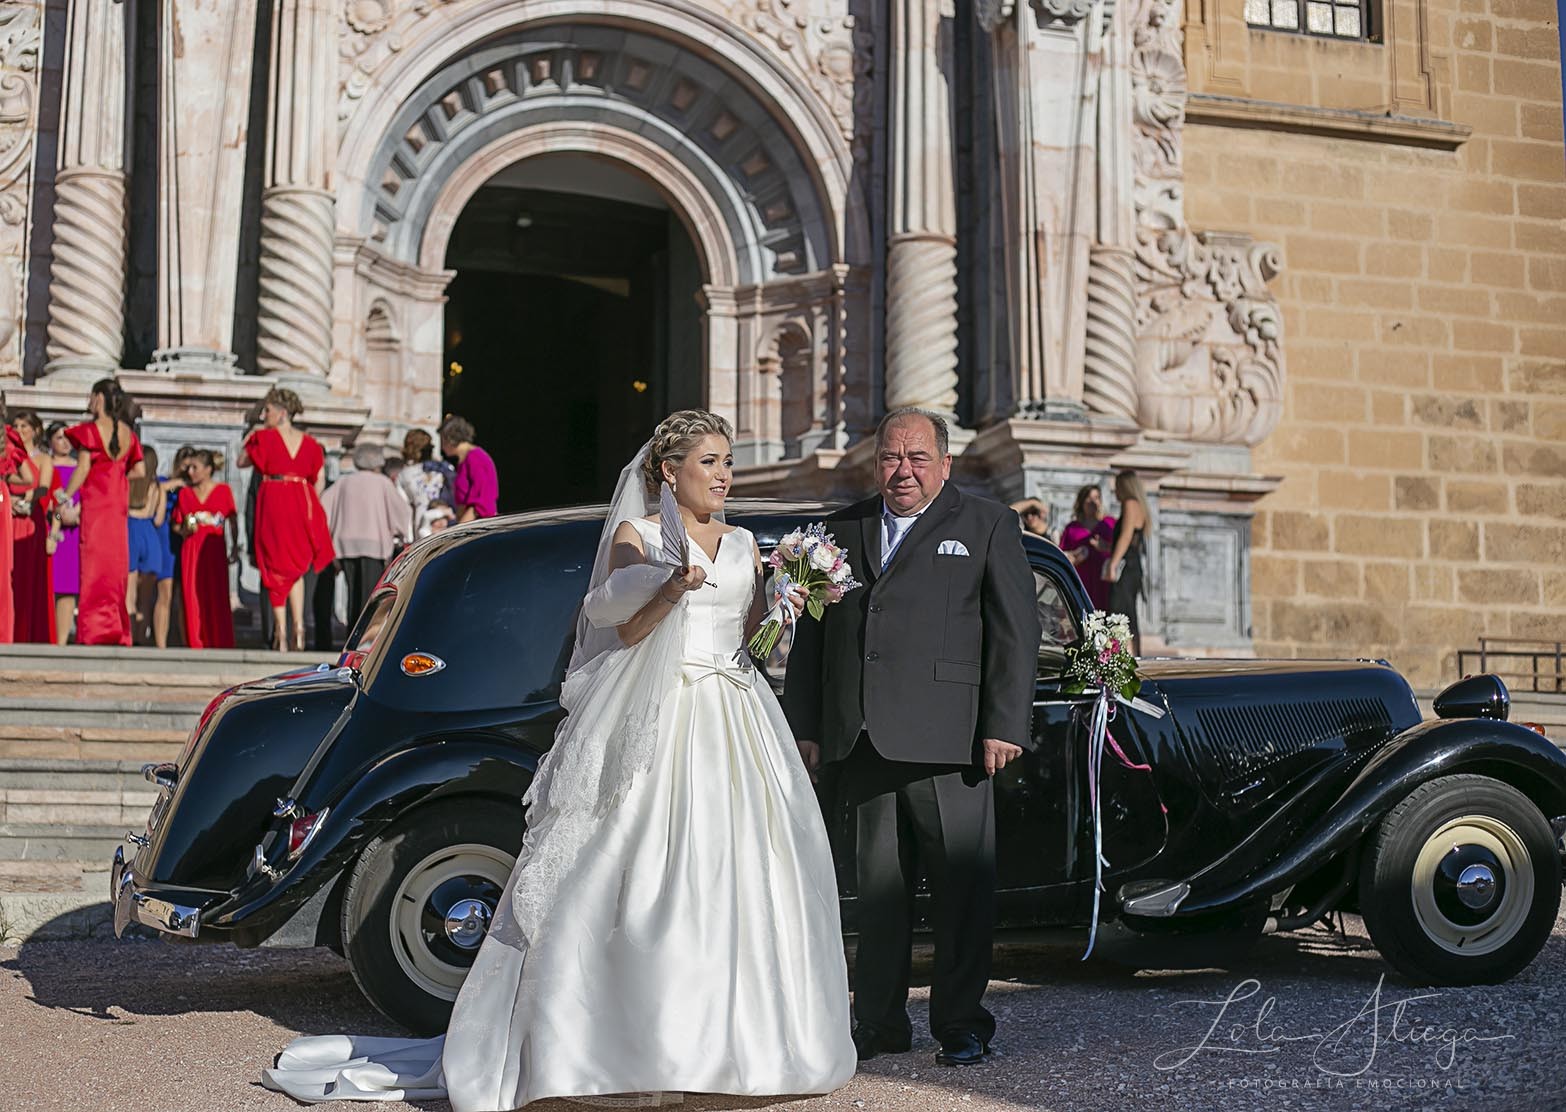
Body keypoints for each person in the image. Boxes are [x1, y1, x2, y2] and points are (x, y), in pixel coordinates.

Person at [263, 409, 855, 1108]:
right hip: (662, 714)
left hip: (736, 715)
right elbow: (618, 621)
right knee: (629, 868)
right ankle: (608, 1041)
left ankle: (739, 1042)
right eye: (710, 462)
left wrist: (786, 606)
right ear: (670, 472)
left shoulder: (742, 546)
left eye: (728, 461)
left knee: (744, 870)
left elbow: (749, 639)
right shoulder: (637, 538)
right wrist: (668, 586)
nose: (725, 475)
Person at [782, 406, 1041, 1068]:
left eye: (917, 458)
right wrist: (807, 727)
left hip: (951, 744)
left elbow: (1016, 631)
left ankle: (961, 1022)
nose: (903, 470)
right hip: (862, 740)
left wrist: (1004, 725)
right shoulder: (840, 530)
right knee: (878, 893)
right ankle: (879, 1022)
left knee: (961, 890)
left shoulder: (987, 525)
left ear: (944, 464)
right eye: (892, 458)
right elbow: (812, 639)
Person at [240, 387, 335, 651]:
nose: (263, 415)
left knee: (275, 566)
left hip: (275, 500)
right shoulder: (312, 444)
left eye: (267, 410)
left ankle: (281, 631)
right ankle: (299, 629)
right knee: (297, 567)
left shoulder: (264, 438)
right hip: (301, 503)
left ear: (282, 413)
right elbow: (319, 484)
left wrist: (250, 436)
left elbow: (241, 462)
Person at [60, 378, 144, 646]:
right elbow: (140, 471)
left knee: (94, 567)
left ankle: (94, 630)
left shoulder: (92, 430)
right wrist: (117, 475)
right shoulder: (127, 434)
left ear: (99, 398)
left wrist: (65, 494)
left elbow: (83, 469)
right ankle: (117, 629)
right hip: (116, 508)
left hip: (96, 506)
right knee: (114, 568)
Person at [319, 443, 412, 641]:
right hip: (374, 546)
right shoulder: (383, 483)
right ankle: (363, 641)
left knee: (353, 594)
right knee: (370, 598)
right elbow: (402, 511)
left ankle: (351, 636)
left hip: (346, 545)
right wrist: (403, 534)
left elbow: (324, 506)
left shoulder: (344, 482)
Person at [173, 449, 238, 649]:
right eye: (189, 467)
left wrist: (234, 546)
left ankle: (219, 640)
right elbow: (175, 524)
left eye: (195, 467)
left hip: (214, 548)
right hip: (192, 549)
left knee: (216, 595)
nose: (190, 471)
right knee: (192, 595)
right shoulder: (185, 493)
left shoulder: (223, 490)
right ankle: (196, 641)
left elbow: (232, 521)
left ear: (208, 469)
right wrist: (185, 528)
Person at [9, 411, 54, 643]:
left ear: (36, 430)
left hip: (30, 521)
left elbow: (44, 488)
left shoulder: (44, 459)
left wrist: (23, 500)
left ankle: (25, 632)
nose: (19, 429)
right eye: (15, 425)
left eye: (24, 425)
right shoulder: (8, 455)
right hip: (7, 519)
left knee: (26, 578)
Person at [1104, 469, 1151, 656]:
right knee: (1129, 614)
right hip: (1133, 566)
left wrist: (1113, 564)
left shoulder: (1130, 503)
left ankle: (1123, 656)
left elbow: (1125, 536)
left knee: (1119, 613)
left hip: (1126, 568)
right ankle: (1131, 654)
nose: (1115, 491)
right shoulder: (1139, 506)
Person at [46, 422, 81, 644]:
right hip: (52, 531)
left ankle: (60, 643)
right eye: (59, 437)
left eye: (68, 437)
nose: (65, 442)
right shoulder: (46, 466)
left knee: (68, 589)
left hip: (74, 533)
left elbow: (86, 495)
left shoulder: (80, 467)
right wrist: (59, 515)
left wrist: (77, 513)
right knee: (49, 586)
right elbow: (53, 504)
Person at [1058, 483, 1117, 611]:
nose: (1093, 502)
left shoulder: (1110, 523)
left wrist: (1106, 547)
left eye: (1096, 498)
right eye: (1088, 498)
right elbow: (1062, 555)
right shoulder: (1072, 528)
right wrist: (1075, 555)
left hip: (1105, 584)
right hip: (1080, 584)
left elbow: (1123, 550)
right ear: (1081, 502)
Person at [397, 428, 456, 538]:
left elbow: (404, 511)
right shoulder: (445, 469)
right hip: (448, 528)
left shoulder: (404, 475)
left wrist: (408, 540)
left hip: (422, 532)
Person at [440, 415, 498, 523]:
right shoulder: (464, 460)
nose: (442, 447)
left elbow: (481, 502)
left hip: (478, 525)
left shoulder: (476, 458)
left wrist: (459, 531)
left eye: (443, 441)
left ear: (450, 438)